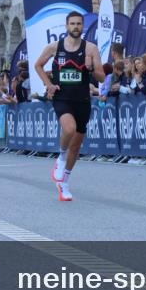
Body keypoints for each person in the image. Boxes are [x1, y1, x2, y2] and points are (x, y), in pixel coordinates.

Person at [34, 11, 106, 201]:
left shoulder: (91, 49)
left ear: (83, 26)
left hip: (82, 99)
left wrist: (91, 68)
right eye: (72, 24)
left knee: (77, 145)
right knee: (69, 128)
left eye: (79, 24)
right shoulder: (54, 47)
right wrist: (48, 84)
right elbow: (38, 65)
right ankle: (61, 156)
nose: (76, 27)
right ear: (67, 26)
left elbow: (101, 77)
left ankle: (64, 182)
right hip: (62, 97)